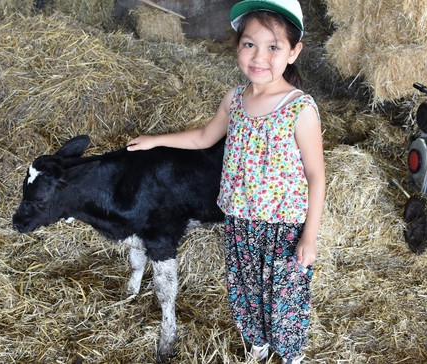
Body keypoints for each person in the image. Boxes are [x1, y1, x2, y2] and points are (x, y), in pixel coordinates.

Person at [127, 0, 324, 362]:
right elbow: (204, 137)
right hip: (240, 223)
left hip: (283, 229)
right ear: (237, 47)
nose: (258, 57)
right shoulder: (234, 99)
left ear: (294, 52)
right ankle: (258, 347)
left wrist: (309, 236)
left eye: (273, 47)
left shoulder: (300, 108)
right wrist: (156, 140)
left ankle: (290, 356)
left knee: (283, 300)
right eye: (249, 44)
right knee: (246, 295)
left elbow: (316, 175)